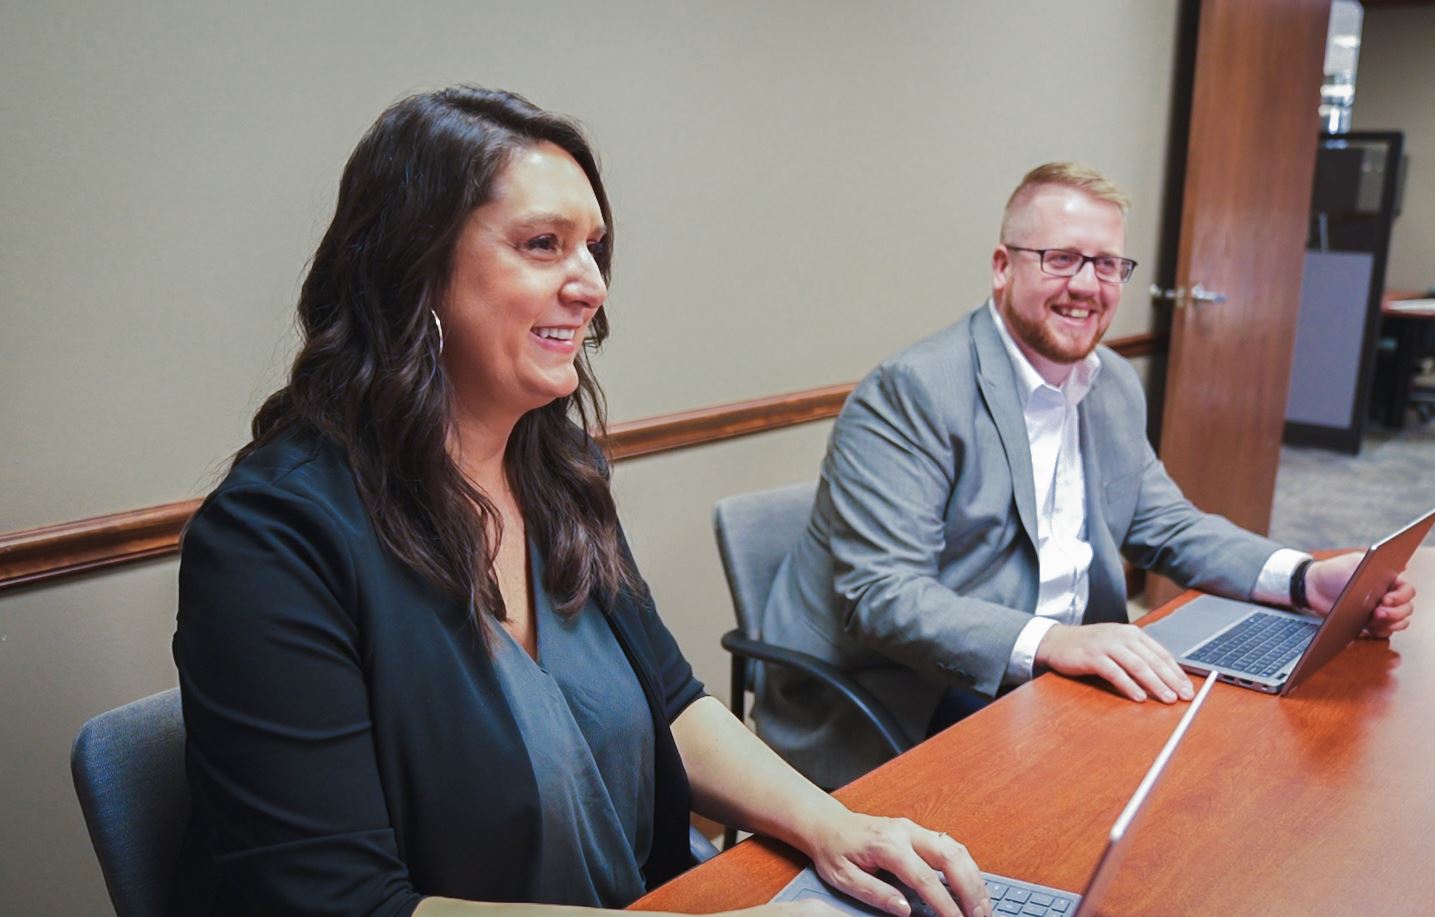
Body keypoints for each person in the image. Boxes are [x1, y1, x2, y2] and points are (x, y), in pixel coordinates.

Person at [171, 86, 993, 917]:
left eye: (593, 248)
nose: (592, 284)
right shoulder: (270, 539)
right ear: (412, 270)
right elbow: (344, 905)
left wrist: (834, 825)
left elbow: (674, 704)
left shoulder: (557, 471)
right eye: (542, 244)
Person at [754, 162, 1417, 789]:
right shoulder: (914, 391)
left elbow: (1167, 524)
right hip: (907, 690)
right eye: (1061, 258)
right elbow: (885, 595)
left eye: (1107, 264)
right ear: (1001, 267)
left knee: (1229, 760)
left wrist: (1305, 579)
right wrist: (1057, 643)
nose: (1087, 284)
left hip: (1052, 676)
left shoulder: (1111, 384)